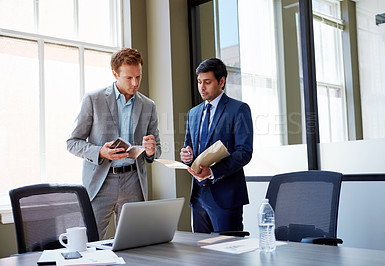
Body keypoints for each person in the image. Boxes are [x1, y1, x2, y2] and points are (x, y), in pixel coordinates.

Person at [67, 48, 161, 239]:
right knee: (90, 244)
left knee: (134, 244)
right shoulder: (93, 99)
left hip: (134, 182)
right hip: (101, 182)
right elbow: (72, 142)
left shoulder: (148, 105)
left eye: (138, 77)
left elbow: (156, 148)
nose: (135, 83)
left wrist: (151, 151)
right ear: (115, 74)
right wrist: (100, 152)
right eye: (129, 78)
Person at [180, 58, 253, 233]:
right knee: (201, 254)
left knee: (228, 254)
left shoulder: (238, 109)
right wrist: (186, 156)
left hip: (226, 196)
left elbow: (244, 152)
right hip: (198, 196)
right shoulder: (193, 113)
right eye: (199, 82)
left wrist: (213, 172)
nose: (201, 87)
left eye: (207, 82)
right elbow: (188, 147)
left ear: (221, 82)